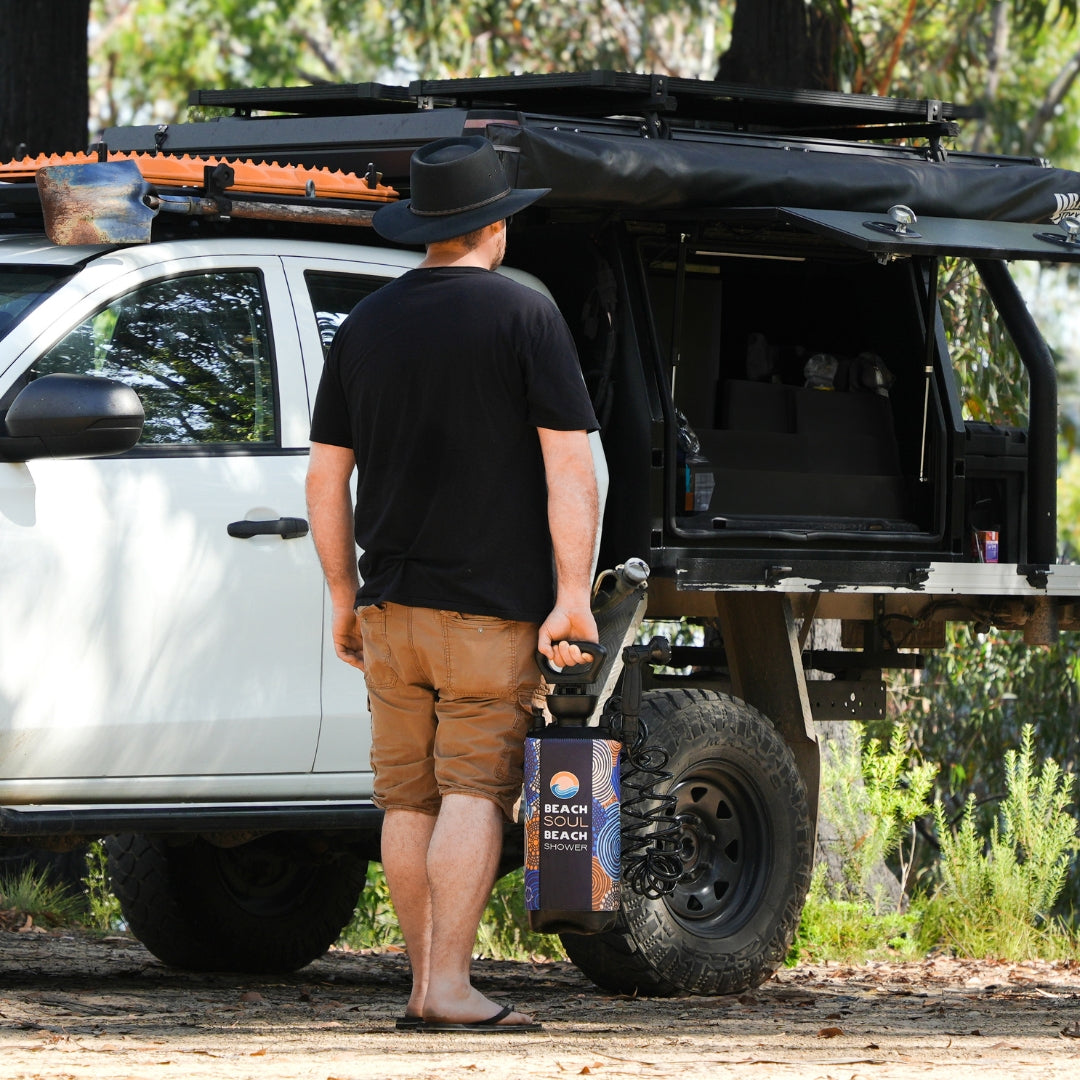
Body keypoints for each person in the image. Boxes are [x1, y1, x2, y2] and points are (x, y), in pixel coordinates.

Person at [305, 136, 600, 1033]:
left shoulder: (364, 325)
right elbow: (570, 472)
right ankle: (450, 986)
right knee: (474, 790)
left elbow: (324, 481)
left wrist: (343, 601)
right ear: (495, 226)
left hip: (390, 609)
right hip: (489, 613)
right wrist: (574, 595)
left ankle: (421, 982)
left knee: (407, 799)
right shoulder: (526, 318)